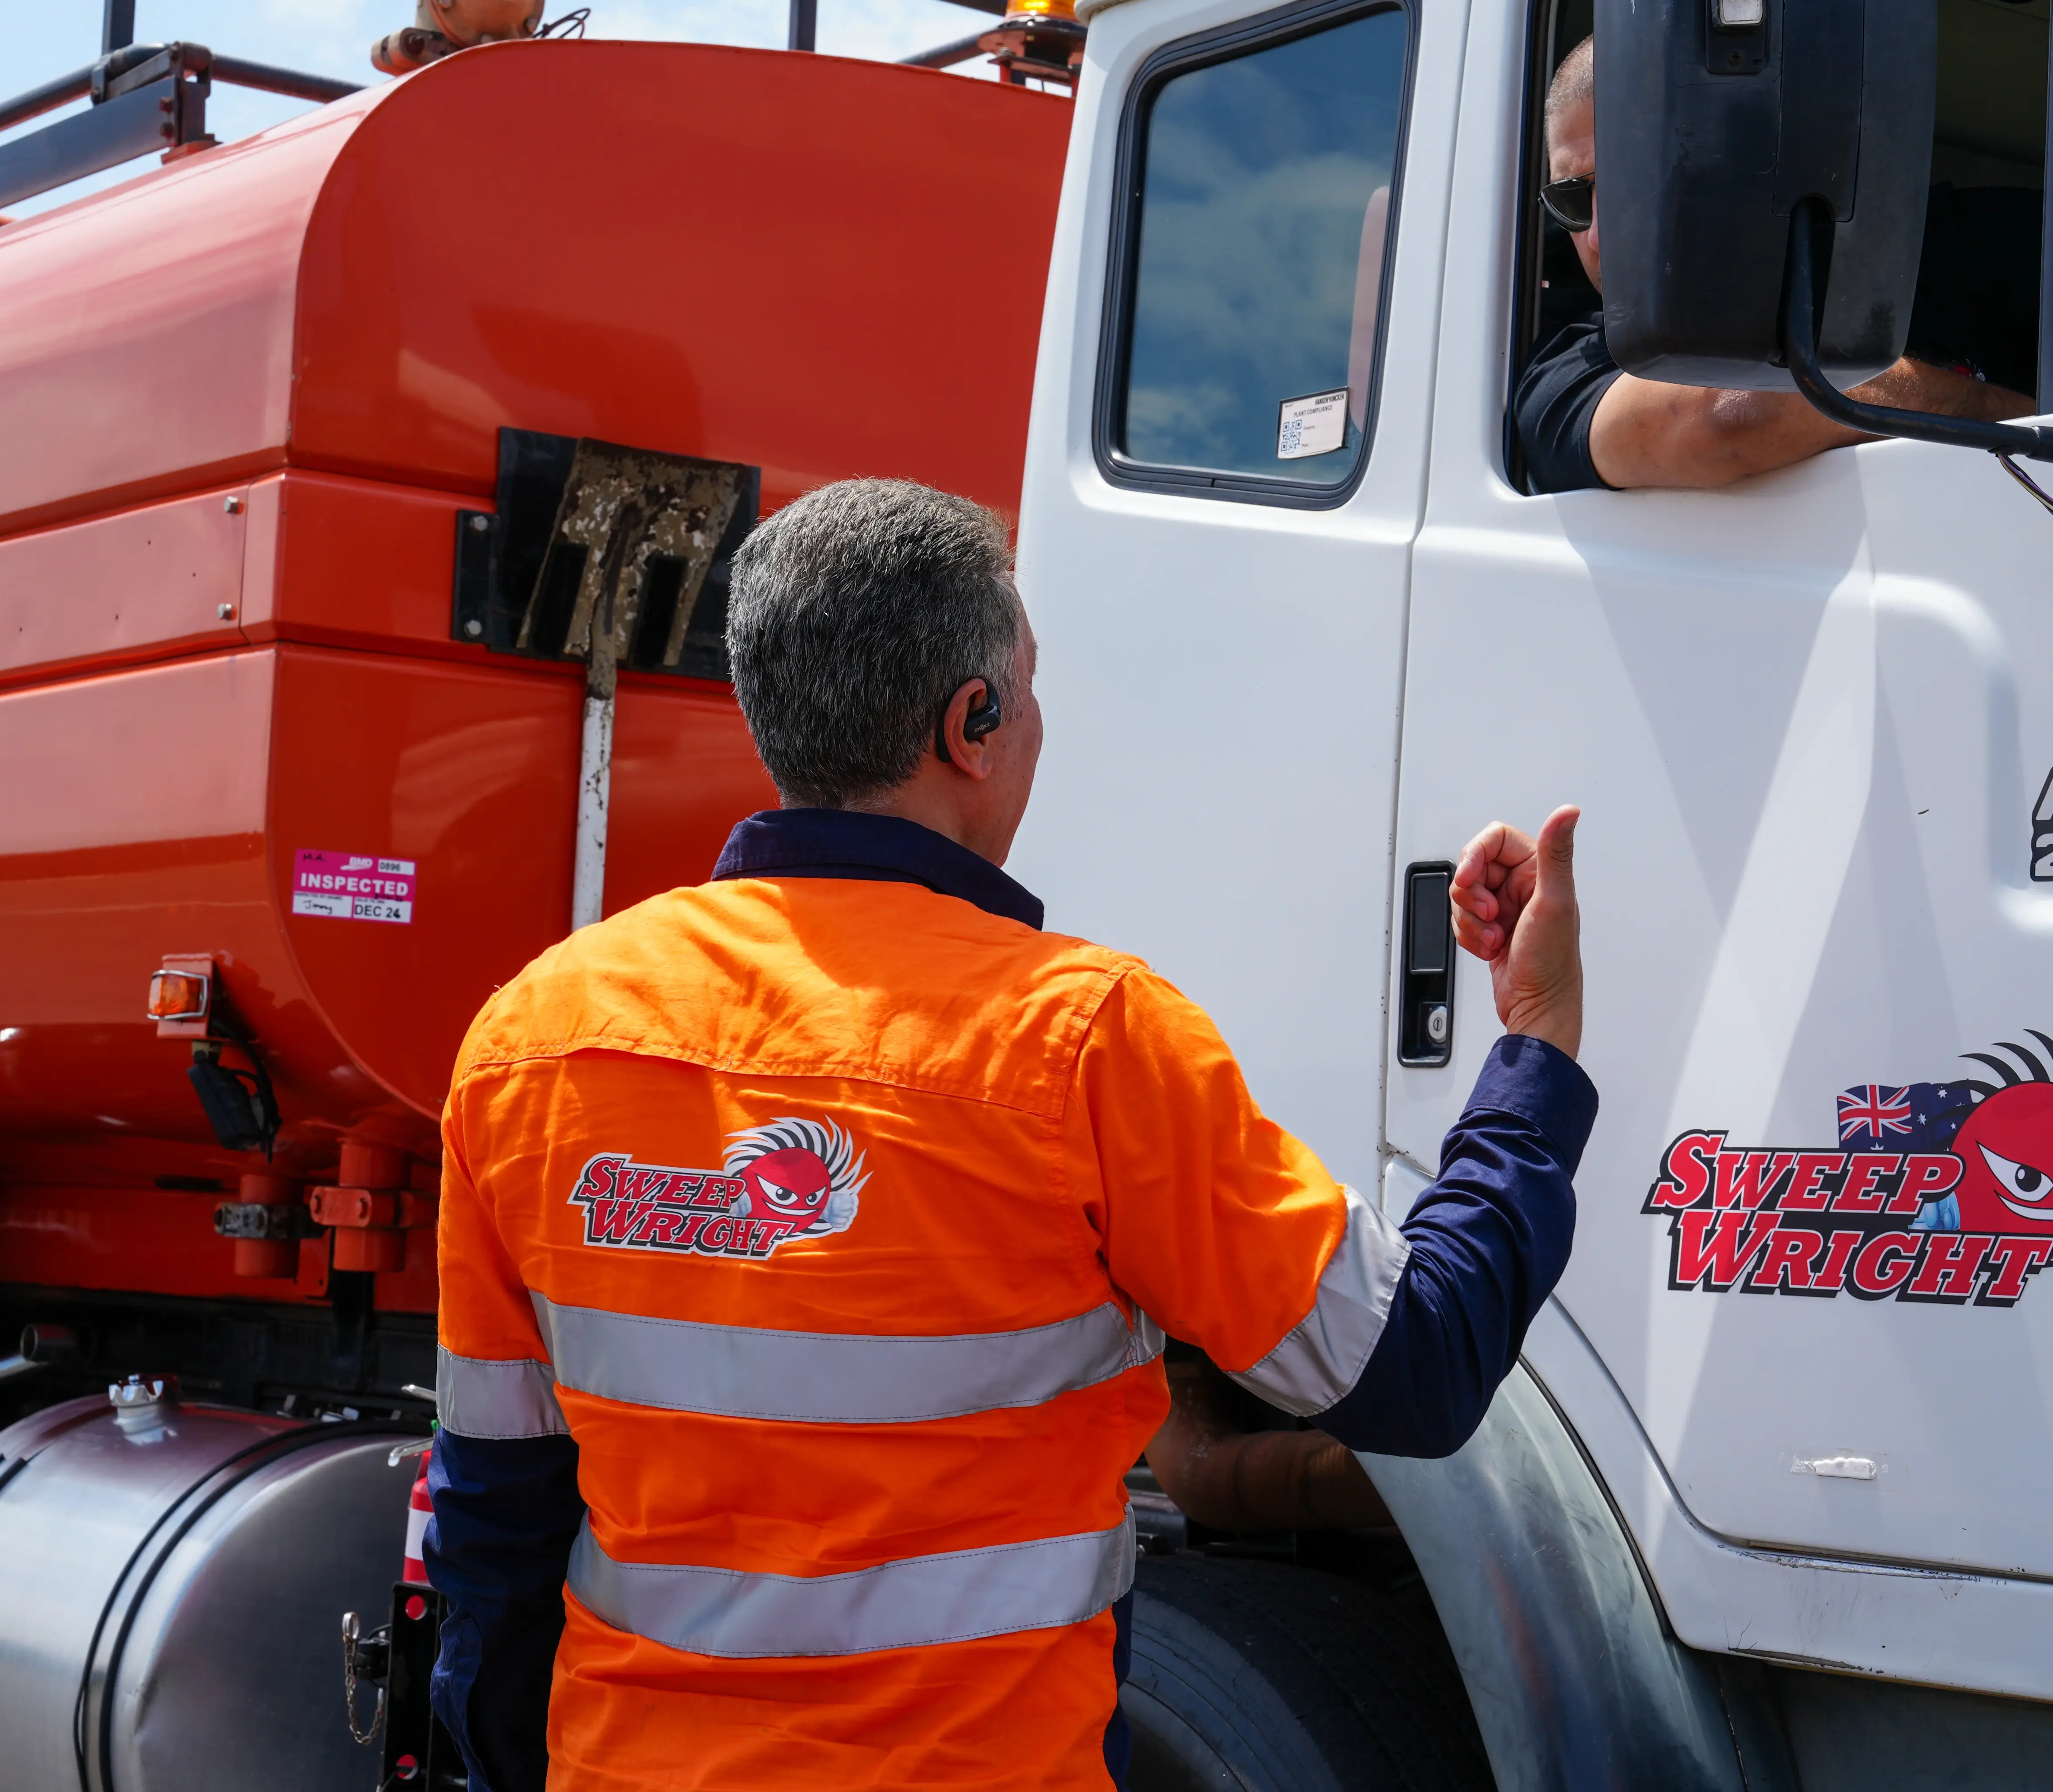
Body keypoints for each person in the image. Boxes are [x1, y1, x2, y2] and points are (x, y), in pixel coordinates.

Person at [425, 477, 1597, 1791]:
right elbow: (1418, 1364)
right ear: (971, 723)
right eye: (1025, 693)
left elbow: (495, 1526)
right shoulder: (1081, 1043)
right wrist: (1533, 1053)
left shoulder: (531, 1039)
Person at [1513, 36, 2040, 492]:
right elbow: (1732, 418)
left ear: (1731, 162)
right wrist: (2033, 429)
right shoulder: (1570, 373)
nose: (1600, 238)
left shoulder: (1945, 249)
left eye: (1633, 184)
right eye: (1573, 201)